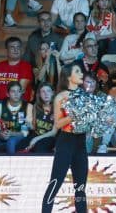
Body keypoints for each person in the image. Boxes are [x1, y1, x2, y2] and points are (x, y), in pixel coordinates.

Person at [41, 63, 87, 213]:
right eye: (77, 71)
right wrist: (73, 115)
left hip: (81, 142)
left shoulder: (84, 94)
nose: (82, 74)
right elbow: (58, 123)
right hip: (66, 142)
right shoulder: (60, 97)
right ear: (69, 76)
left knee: (80, 188)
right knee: (55, 184)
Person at [0, 81, 33, 154]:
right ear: (7, 94)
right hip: (2, 138)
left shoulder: (28, 107)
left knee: (11, 141)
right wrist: (0, 135)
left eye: (19, 91)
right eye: (13, 91)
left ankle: (11, 165)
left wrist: (12, 134)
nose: (16, 94)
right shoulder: (0, 107)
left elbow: (25, 133)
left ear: (21, 93)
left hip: (20, 139)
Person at [25, 82, 57, 153]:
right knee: (20, 146)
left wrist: (36, 139)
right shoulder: (36, 107)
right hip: (36, 134)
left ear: (52, 93)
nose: (46, 94)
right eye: (43, 91)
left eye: (48, 91)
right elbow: (33, 127)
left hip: (49, 137)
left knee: (39, 147)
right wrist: (29, 125)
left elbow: (54, 132)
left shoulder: (57, 108)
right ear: (39, 94)